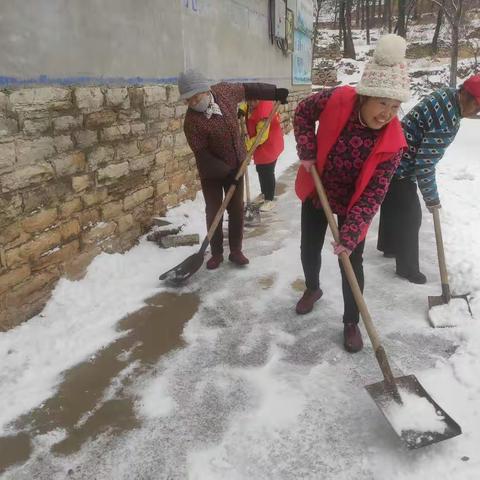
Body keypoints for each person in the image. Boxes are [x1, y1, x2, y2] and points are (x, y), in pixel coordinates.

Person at [293, 34, 410, 353]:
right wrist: (307, 146)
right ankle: (313, 288)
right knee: (309, 248)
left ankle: (350, 320)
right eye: (382, 103)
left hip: (354, 201)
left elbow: (374, 194)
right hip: (320, 187)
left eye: (395, 106)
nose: (387, 113)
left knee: (351, 260)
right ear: (365, 95)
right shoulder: (338, 99)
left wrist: (353, 231)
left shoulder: (394, 143)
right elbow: (303, 112)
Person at [178, 69, 289, 270]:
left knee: (236, 209)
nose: (193, 103)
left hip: (236, 164)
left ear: (205, 89)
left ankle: (236, 250)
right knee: (214, 210)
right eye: (188, 101)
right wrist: (225, 172)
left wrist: (274, 93)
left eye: (196, 97)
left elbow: (249, 89)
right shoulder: (191, 123)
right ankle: (217, 252)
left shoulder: (225, 91)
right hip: (211, 171)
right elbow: (202, 154)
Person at [377, 74, 480, 284]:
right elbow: (424, 165)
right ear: (469, 98)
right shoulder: (448, 121)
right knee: (410, 214)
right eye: (478, 108)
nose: (476, 114)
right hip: (400, 165)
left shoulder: (448, 94)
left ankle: (389, 246)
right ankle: (407, 268)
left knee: (392, 200)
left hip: (388, 151)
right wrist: (432, 199)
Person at [238, 100, 284, 212]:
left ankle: (269, 199)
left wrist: (246, 146)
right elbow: (247, 103)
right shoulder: (252, 102)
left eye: (254, 101)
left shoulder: (264, 111)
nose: (252, 103)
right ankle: (264, 194)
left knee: (267, 171)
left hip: (269, 144)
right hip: (260, 146)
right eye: (250, 100)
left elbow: (261, 136)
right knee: (261, 169)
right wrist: (243, 109)